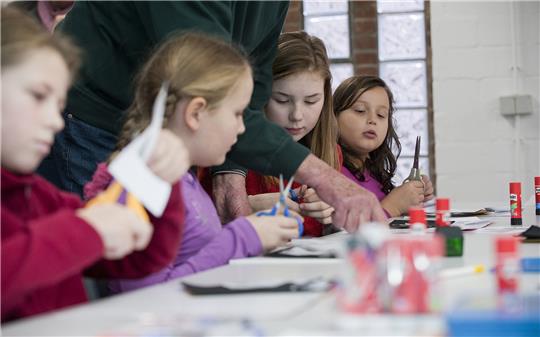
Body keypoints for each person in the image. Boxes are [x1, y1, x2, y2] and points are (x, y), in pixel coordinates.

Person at [38, 2, 385, 233]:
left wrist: (229, 172)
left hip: (165, 128)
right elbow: (209, 88)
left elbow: (252, 78)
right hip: (95, 118)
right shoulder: (195, 114)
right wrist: (328, 180)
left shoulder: (194, 143)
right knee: (104, 272)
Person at [1, 7, 188, 322]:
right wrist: (87, 230)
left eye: (59, 106)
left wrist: (161, 180)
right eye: (37, 96)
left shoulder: (42, 198)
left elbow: (141, 260)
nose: (55, 122)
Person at [84, 32, 300, 293]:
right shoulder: (143, 186)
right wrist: (243, 237)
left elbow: (196, 255)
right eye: (237, 113)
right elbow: (143, 298)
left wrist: (258, 232)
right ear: (195, 113)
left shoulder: (183, 180)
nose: (242, 128)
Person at [244, 31, 340, 237]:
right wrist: (247, 207)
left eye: (311, 101)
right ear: (259, 96)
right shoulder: (230, 153)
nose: (296, 115)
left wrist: (333, 218)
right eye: (281, 100)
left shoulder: (332, 153)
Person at [334, 75, 434, 217]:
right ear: (333, 116)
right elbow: (348, 233)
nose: (372, 120)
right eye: (360, 110)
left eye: (381, 115)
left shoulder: (374, 175)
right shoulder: (330, 173)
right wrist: (393, 206)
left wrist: (409, 198)